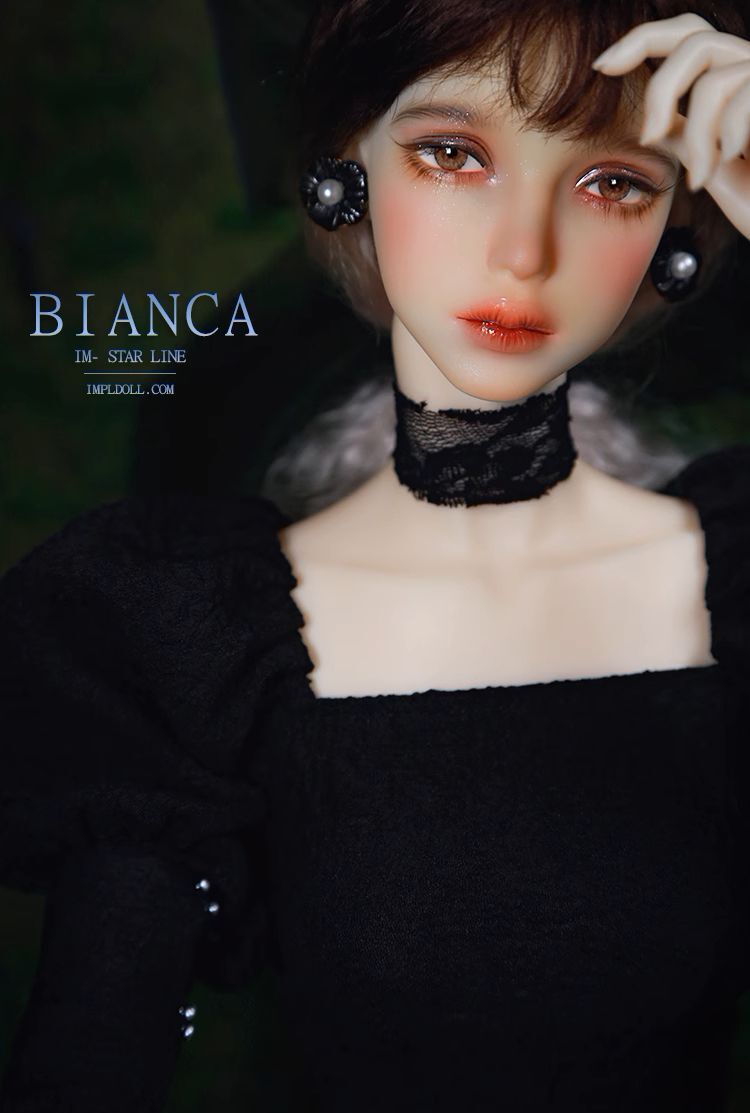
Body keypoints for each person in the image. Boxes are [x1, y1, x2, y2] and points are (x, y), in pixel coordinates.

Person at [1, 2, 749, 1111]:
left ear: (676, 230)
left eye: (611, 183)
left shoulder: (728, 585)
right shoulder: (198, 644)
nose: (524, 250)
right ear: (346, 169)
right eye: (453, 154)